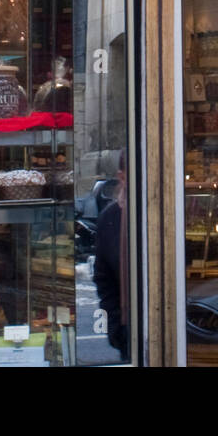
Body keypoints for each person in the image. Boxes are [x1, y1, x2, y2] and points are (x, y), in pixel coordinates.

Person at [92, 150, 129, 362]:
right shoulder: (110, 218)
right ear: (121, 176)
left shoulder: (160, 211)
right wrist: (116, 323)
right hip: (128, 329)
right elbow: (103, 277)